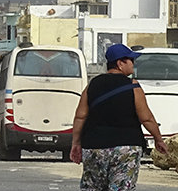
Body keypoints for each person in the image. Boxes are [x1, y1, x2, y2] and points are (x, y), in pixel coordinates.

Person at [70, 44, 167, 191]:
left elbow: (80, 116)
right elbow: (146, 118)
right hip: (125, 148)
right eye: (131, 61)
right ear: (120, 63)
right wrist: (158, 139)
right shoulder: (133, 86)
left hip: (94, 147)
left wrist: (76, 143)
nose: (133, 65)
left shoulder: (93, 85)